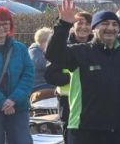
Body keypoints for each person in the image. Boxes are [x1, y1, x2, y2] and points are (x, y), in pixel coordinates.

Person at [46, 2, 120, 144]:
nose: (110, 28)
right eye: (104, 24)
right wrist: (64, 24)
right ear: (94, 29)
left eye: (114, 24)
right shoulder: (80, 51)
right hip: (85, 130)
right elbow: (53, 54)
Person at [0, 7, 34, 144]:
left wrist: (13, 99)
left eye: (5, 23)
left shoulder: (20, 49)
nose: (1, 27)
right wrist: (1, 102)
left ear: (10, 25)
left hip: (18, 107)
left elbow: (28, 75)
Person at [46, 11, 93, 142]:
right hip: (67, 101)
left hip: (90, 100)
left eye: (88, 23)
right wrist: (73, 78)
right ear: (73, 26)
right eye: (80, 23)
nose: (84, 27)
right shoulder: (62, 47)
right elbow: (50, 75)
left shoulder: (96, 47)